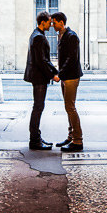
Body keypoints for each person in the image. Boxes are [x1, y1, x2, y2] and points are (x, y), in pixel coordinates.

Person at [24, 10, 60, 150]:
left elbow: (43, 59)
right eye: (49, 22)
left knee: (38, 107)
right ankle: (34, 140)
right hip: (39, 77)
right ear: (43, 22)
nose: (51, 25)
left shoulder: (36, 34)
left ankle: (36, 137)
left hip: (38, 76)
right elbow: (41, 60)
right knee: (38, 108)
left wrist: (55, 71)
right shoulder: (38, 37)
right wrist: (53, 75)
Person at [52, 11, 84, 152]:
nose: (52, 25)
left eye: (54, 22)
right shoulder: (62, 35)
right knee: (68, 108)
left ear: (61, 22)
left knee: (70, 108)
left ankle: (78, 140)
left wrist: (60, 74)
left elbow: (72, 58)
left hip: (71, 77)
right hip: (66, 76)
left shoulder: (71, 36)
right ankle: (71, 137)